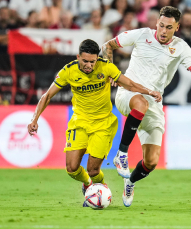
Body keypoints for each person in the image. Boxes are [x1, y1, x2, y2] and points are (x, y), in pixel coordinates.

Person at [27, 39, 162, 206]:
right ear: (78, 57)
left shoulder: (106, 67)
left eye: (92, 61)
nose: (89, 65)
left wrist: (149, 91)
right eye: (85, 61)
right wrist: (34, 119)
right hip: (79, 122)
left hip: (103, 124)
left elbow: (130, 84)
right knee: (71, 168)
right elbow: (47, 95)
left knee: (92, 169)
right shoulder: (68, 71)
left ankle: (101, 187)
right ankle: (88, 184)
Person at [102, 6, 191, 207]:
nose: (163, 31)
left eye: (168, 27)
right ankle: (121, 154)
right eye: (161, 25)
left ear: (177, 27)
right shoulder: (142, 34)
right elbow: (108, 45)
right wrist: (111, 70)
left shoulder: (181, 47)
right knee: (140, 102)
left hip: (154, 104)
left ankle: (130, 181)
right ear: (156, 23)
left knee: (151, 162)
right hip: (128, 94)